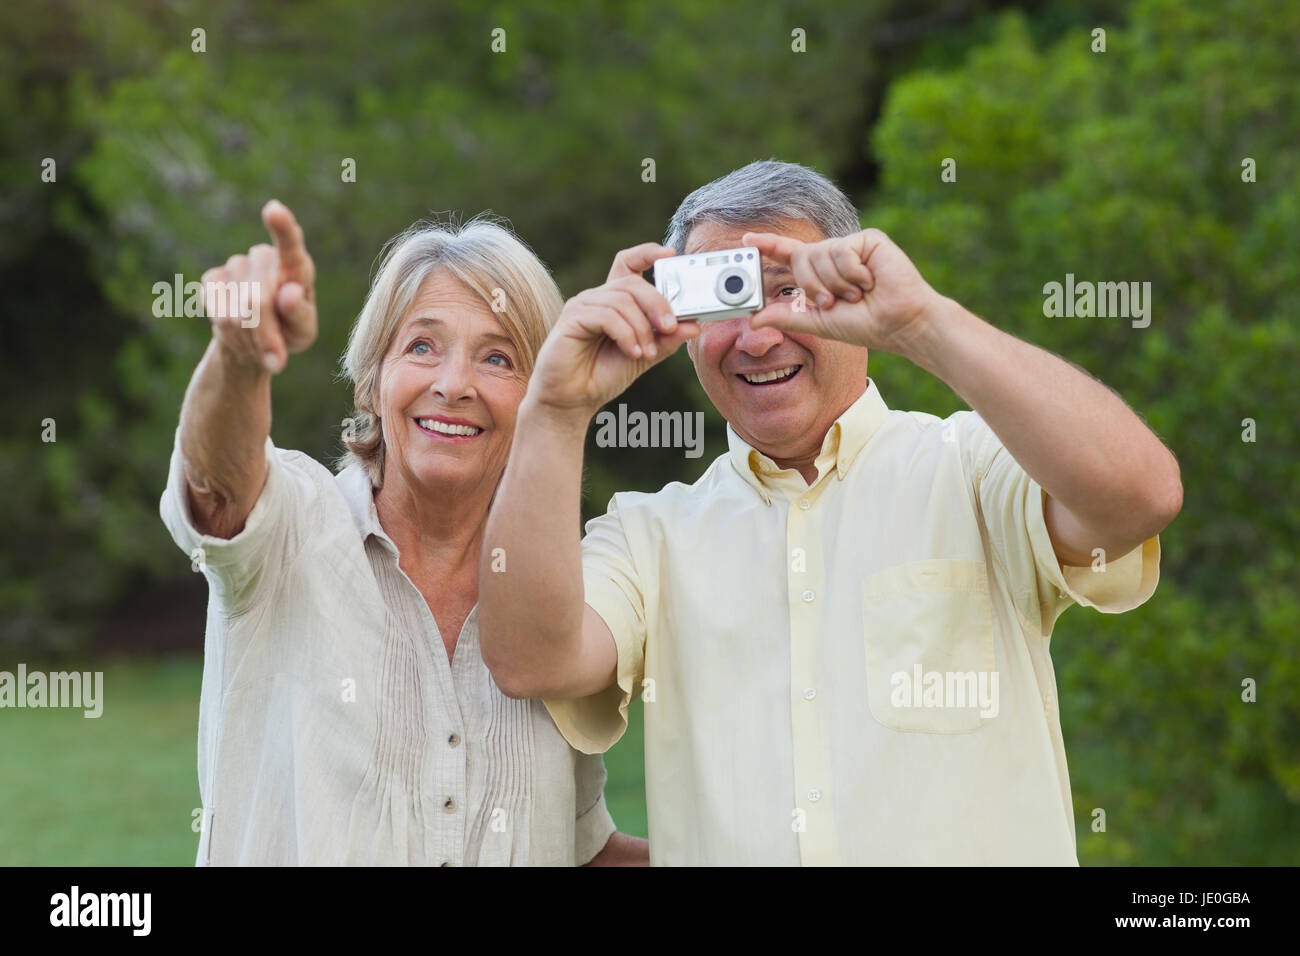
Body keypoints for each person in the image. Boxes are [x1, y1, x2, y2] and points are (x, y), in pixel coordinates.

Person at [478, 160, 1181, 865]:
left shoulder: (969, 467)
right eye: (724, 300)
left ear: (855, 292)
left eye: (785, 292)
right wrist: (557, 409)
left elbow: (1141, 498)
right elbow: (532, 661)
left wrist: (923, 322)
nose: (756, 338)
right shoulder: (650, 534)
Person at [159, 200, 647, 865]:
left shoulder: (555, 604)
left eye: (498, 359)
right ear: (372, 381)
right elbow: (217, 481)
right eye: (422, 346)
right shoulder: (292, 527)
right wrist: (240, 359)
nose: (453, 385)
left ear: (544, 395)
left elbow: (580, 848)